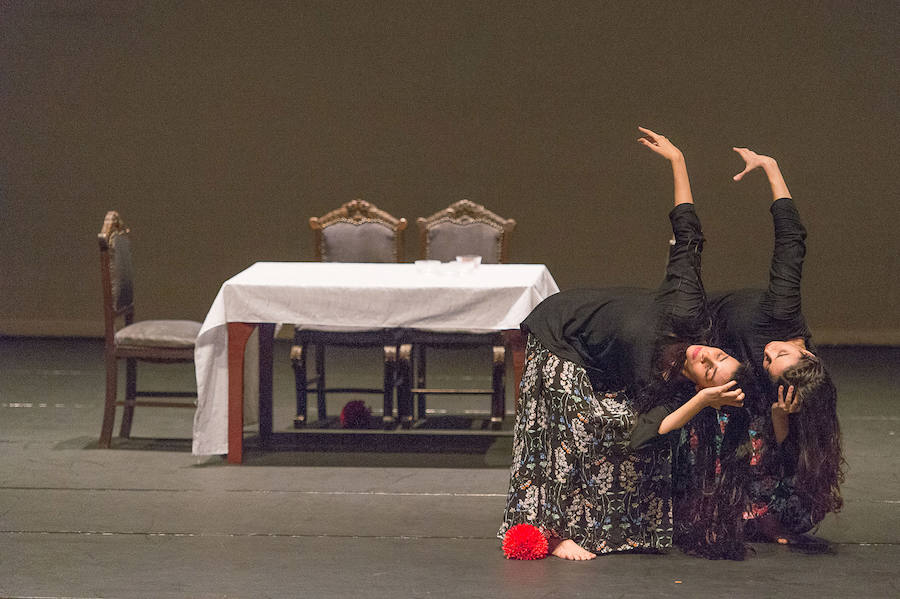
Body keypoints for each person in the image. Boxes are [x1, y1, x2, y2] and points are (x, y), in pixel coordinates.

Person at [498, 128, 749, 561]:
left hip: (599, 359)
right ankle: (552, 533)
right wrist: (678, 160)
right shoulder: (686, 308)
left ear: (698, 383)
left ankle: (606, 524)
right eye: (719, 354)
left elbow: (644, 436)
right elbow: (688, 235)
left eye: (710, 368)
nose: (707, 354)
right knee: (576, 429)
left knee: (616, 434)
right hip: (561, 331)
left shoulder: (666, 386)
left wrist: (704, 400)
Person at [702, 148, 845, 544]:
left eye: (771, 364)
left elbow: (787, 454)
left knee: (776, 453)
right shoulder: (781, 314)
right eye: (779, 353)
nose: (768, 355)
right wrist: (772, 169)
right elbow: (791, 243)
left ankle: (758, 514)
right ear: (808, 353)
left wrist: (782, 418)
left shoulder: (794, 388)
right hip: (700, 331)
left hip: (720, 377)